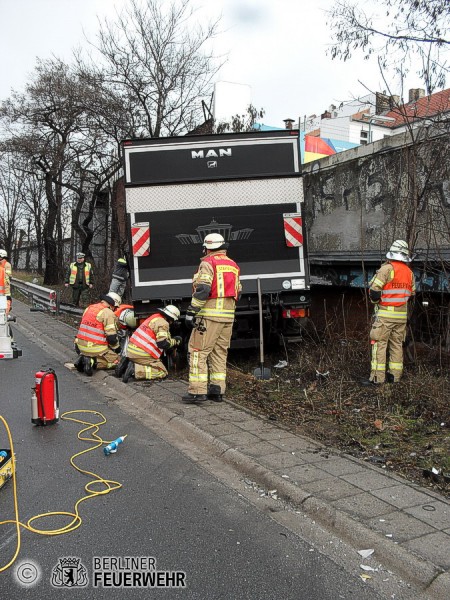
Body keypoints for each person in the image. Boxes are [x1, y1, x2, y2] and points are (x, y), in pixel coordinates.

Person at [182, 233, 241, 404]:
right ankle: (217, 390)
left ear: (207, 247)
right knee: (219, 353)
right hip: (228, 317)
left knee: (197, 352)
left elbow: (202, 289)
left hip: (208, 316)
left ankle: (197, 392)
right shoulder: (233, 265)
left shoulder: (208, 263)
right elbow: (239, 291)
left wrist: (192, 311)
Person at [360, 240, 415, 386]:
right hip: (401, 316)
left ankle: (377, 378)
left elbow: (374, 291)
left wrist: (376, 303)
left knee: (379, 344)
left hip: (385, 315)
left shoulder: (386, 269)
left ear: (392, 253)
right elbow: (412, 293)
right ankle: (395, 377)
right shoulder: (409, 273)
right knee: (397, 345)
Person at [122, 305, 182, 383]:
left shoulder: (154, 317)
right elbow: (162, 344)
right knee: (162, 372)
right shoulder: (163, 324)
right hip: (141, 353)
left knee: (153, 365)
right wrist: (175, 341)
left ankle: (130, 364)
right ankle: (135, 370)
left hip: (131, 351)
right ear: (171, 318)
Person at [74, 292, 122, 376]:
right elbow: (112, 338)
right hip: (95, 347)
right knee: (118, 361)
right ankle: (93, 361)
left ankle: (83, 358)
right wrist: (117, 349)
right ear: (113, 304)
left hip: (80, 346)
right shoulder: (108, 313)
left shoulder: (89, 308)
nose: (115, 310)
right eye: (116, 307)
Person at [0, 249, 12, 315]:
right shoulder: (8, 264)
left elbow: (6, 276)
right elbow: (9, 276)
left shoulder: (5, 265)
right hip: (5, 290)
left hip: (4, 289)